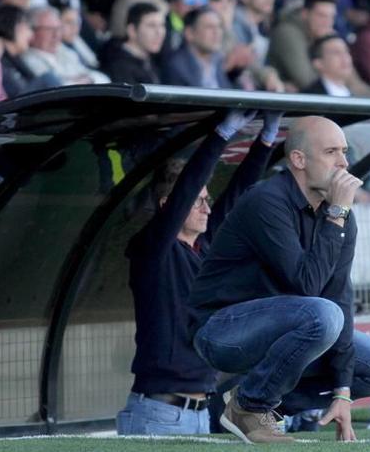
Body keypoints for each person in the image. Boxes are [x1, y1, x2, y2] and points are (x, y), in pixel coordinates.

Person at [189, 116, 370, 443]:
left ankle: (253, 404)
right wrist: (336, 215)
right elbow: (306, 285)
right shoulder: (267, 201)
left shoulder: (341, 215)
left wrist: (343, 392)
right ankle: (249, 404)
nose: (344, 162)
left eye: (344, 152)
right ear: (299, 160)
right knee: (323, 315)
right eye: (331, 151)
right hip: (222, 331)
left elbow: (340, 298)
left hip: (294, 327)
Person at [118, 109, 281, 435]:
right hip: (158, 413)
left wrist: (265, 141)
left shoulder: (203, 248)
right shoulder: (153, 250)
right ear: (169, 205)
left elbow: (236, 199)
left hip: (200, 415)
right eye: (198, 201)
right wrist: (219, 136)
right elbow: (185, 190)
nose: (207, 208)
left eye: (208, 200)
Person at [0, 4, 60, 96]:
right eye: (26, 26)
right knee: (48, 78)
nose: (31, 33)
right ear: (12, 25)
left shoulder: (16, 59)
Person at [161, 7, 231, 88]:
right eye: (209, 27)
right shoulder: (175, 67)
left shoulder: (219, 60)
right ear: (189, 33)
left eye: (219, 27)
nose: (217, 32)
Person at [101, 2, 165, 84]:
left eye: (162, 25)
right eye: (151, 25)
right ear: (132, 31)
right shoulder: (119, 66)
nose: (159, 32)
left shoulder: (153, 61)